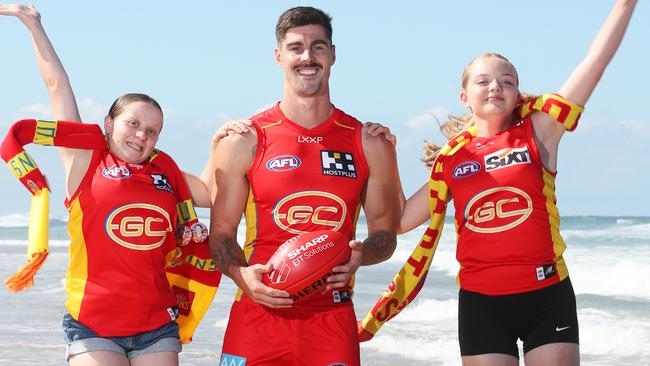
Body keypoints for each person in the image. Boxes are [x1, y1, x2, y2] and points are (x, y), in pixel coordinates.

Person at [357, 1, 637, 365]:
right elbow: (398, 221)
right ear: (464, 96)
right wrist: (387, 156)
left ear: (518, 93)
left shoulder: (539, 132)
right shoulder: (451, 160)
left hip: (547, 294)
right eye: (483, 81)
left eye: (507, 82)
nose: (495, 87)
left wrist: (626, 4)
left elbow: (593, 64)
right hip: (481, 305)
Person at [0, 4, 236, 365]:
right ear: (109, 123)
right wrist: (33, 25)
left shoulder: (165, 173)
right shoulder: (84, 160)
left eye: (152, 130)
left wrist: (218, 145)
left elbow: (208, 193)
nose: (142, 135)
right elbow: (56, 86)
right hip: (93, 326)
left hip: (156, 325)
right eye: (133, 123)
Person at [208, 6, 400, 366]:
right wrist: (240, 275)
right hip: (258, 314)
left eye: (318, 46)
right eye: (296, 47)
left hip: (332, 317)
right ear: (279, 56)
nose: (307, 57)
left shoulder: (368, 142)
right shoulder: (245, 140)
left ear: (333, 54)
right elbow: (220, 234)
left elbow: (385, 234)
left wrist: (361, 255)